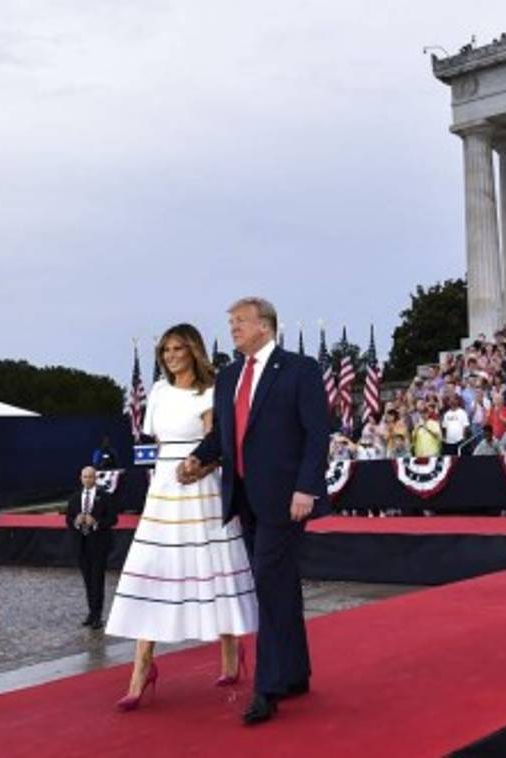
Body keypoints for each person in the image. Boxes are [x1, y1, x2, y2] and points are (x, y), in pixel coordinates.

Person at [184, 298, 330, 727]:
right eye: (230, 321)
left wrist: (307, 487)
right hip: (243, 498)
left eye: (240, 322)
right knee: (279, 585)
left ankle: (267, 688)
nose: (232, 328)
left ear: (264, 326)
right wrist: (198, 457)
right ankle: (296, 673)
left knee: (267, 584)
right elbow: (226, 436)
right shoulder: (229, 376)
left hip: (286, 500)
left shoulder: (300, 369)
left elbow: (317, 435)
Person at [107, 323, 257, 710]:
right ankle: (141, 668)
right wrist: (168, 477)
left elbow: (219, 443)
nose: (172, 355)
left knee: (212, 566)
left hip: (202, 485)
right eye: (166, 350)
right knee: (154, 569)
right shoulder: (156, 391)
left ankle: (230, 649)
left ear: (194, 350)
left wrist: (199, 469)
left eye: (179, 348)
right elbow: (157, 441)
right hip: (164, 489)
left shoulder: (211, 391)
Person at [65, 465, 117, 629]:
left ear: (96, 478)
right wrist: (76, 521)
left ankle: (97, 615)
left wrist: (96, 523)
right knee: (88, 580)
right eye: (85, 477)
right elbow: (68, 519)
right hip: (81, 545)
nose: (87, 479)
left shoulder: (105, 497)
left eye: (90, 477)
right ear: (81, 478)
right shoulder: (74, 498)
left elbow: (114, 519)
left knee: (97, 580)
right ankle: (91, 612)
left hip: (99, 545)